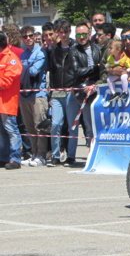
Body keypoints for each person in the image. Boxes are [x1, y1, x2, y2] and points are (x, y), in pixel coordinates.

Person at [68, 21, 101, 163]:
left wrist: (96, 76)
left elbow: (103, 67)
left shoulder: (97, 48)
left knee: (96, 123)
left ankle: (97, 152)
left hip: (97, 89)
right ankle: (88, 152)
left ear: (89, 34)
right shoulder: (73, 50)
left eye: (84, 34)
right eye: (78, 35)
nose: (81, 37)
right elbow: (77, 71)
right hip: (81, 91)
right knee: (86, 124)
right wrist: (95, 67)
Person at [47, 19, 77, 167]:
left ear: (69, 31)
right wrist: (51, 90)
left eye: (66, 31)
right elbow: (51, 71)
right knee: (55, 124)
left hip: (71, 91)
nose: (63, 34)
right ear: (57, 33)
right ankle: (55, 155)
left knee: (72, 126)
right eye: (60, 32)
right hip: (57, 91)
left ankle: (71, 156)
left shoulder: (76, 48)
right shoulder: (53, 50)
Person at [19, 26, 48, 167]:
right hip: (24, 94)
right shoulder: (23, 54)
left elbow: (34, 71)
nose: (28, 38)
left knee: (39, 126)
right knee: (29, 127)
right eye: (25, 37)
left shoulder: (40, 52)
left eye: (30, 35)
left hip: (38, 94)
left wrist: (22, 68)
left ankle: (42, 155)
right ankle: (34, 154)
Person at [0, 32, 23, 169]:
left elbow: (7, 82)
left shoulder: (12, 59)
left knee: (11, 130)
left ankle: (15, 159)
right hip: (1, 103)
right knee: (2, 131)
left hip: (8, 103)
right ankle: (3, 157)